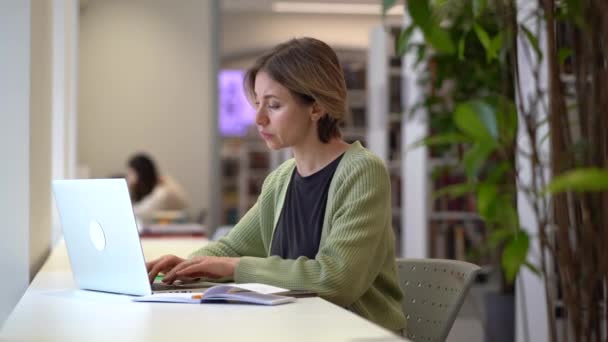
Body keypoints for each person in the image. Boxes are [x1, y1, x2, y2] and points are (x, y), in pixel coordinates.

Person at [146, 37, 406, 333]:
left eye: (273, 105)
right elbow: (232, 247)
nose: (259, 118)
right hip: (295, 329)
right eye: (257, 104)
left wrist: (235, 267)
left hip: (353, 333)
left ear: (316, 107)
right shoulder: (281, 179)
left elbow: (335, 280)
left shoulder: (363, 172)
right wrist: (182, 267)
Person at [126, 153, 189, 220]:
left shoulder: (164, 191)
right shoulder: (157, 185)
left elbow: (141, 212)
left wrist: (128, 188)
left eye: (130, 174)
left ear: (140, 173)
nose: (128, 178)